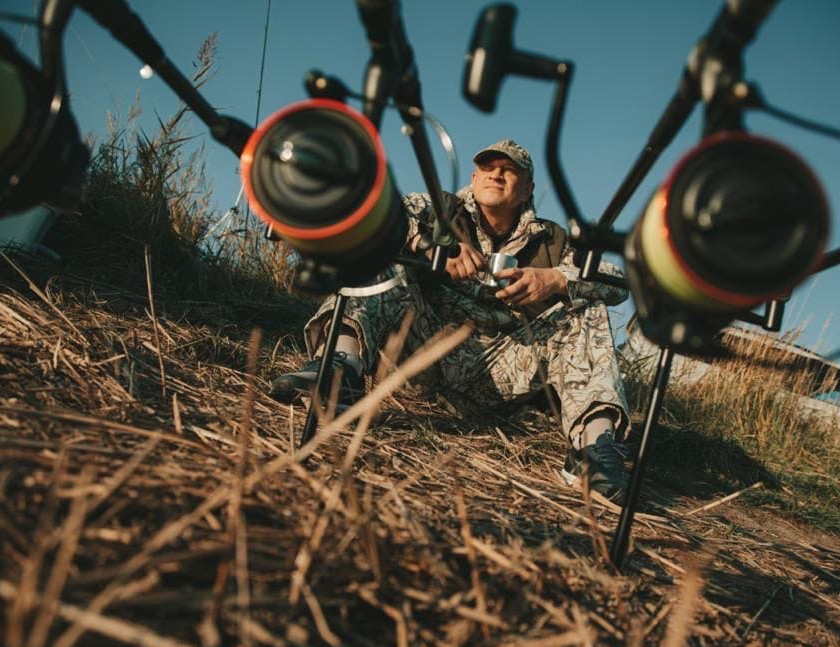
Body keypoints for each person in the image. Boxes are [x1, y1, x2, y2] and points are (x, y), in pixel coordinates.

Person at [270, 140, 633, 501]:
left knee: (585, 306)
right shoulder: (441, 209)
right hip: (420, 351)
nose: (496, 175)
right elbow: (381, 212)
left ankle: (595, 449)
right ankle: (340, 369)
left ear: (528, 189)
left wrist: (554, 279)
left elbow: (616, 282)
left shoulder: (551, 239)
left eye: (509, 170)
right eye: (488, 168)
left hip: (500, 371)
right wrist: (431, 248)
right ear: (473, 178)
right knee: (382, 257)